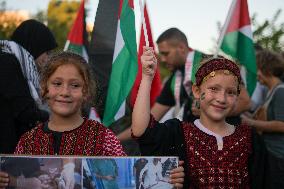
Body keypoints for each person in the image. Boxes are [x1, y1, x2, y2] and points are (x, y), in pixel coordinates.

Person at [132, 47, 253, 188]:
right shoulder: (178, 134)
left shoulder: (250, 139)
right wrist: (147, 77)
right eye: (214, 89)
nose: (222, 98)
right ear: (196, 91)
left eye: (231, 92)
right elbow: (141, 130)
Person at [0, 19, 58, 154]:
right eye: (47, 52)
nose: (48, 59)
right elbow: (24, 110)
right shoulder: (6, 62)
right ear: (36, 47)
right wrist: (55, 117)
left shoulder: (17, 64)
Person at [241, 50, 284, 188]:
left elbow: (281, 125)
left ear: (266, 68)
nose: (256, 74)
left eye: (258, 69)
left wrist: (250, 122)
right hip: (271, 154)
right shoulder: (271, 91)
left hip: (278, 157)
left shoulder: (280, 91)